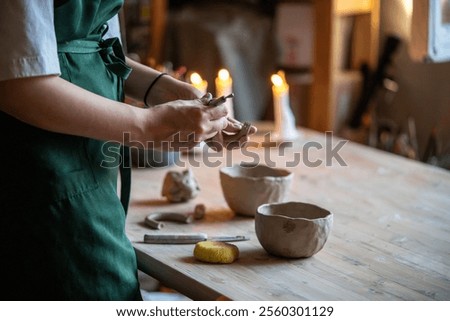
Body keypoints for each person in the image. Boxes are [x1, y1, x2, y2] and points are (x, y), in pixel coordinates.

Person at [0, 0, 255, 300]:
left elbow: (96, 44)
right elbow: (16, 84)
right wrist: (148, 126)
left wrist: (162, 88)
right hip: (40, 170)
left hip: (90, 163)